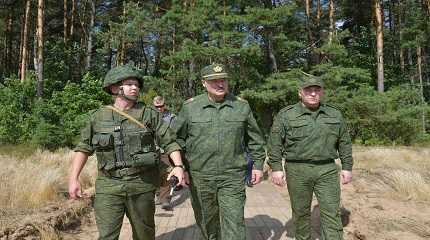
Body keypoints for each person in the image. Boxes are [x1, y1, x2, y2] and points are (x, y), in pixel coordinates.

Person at [68, 65, 187, 240]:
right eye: (130, 84)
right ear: (115, 88)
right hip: (108, 185)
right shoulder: (98, 117)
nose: (135, 88)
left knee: (144, 234)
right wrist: (73, 179)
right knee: (107, 235)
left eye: (137, 85)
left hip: (141, 184)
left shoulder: (149, 114)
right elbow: (83, 148)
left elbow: (169, 141)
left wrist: (178, 165)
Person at [173, 63, 266, 240]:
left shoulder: (241, 106)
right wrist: (181, 167)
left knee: (235, 223)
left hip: (232, 176)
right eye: (214, 81)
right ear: (203, 83)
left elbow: (255, 139)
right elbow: (176, 140)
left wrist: (258, 165)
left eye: (223, 80)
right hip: (200, 176)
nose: (220, 84)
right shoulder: (190, 107)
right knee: (206, 224)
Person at [267, 72, 353, 240]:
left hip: (327, 169)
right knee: (300, 213)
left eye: (317, 90)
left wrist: (347, 167)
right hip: (297, 170)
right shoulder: (286, 115)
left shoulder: (334, 114)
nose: (313, 94)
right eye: (308, 90)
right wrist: (276, 168)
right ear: (300, 93)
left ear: (322, 92)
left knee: (331, 212)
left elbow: (344, 142)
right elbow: (274, 143)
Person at [152, 95, 177, 210]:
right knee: (155, 175)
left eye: (161, 106)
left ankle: (165, 200)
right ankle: (159, 195)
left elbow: (176, 134)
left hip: (166, 150)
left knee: (167, 173)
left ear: (164, 105)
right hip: (152, 150)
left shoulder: (171, 118)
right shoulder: (149, 117)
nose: (159, 108)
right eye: (156, 106)